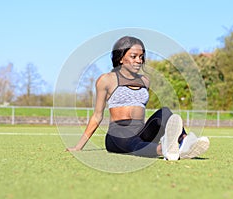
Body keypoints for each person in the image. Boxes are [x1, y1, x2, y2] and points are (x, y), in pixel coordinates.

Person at [66, 36, 209, 160]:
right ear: (121, 58)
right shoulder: (106, 80)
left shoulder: (145, 81)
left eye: (141, 57)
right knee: (133, 143)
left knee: (165, 113)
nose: (139, 61)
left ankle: (185, 143)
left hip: (140, 131)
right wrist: (79, 146)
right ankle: (164, 149)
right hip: (117, 136)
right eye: (133, 56)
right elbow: (97, 116)